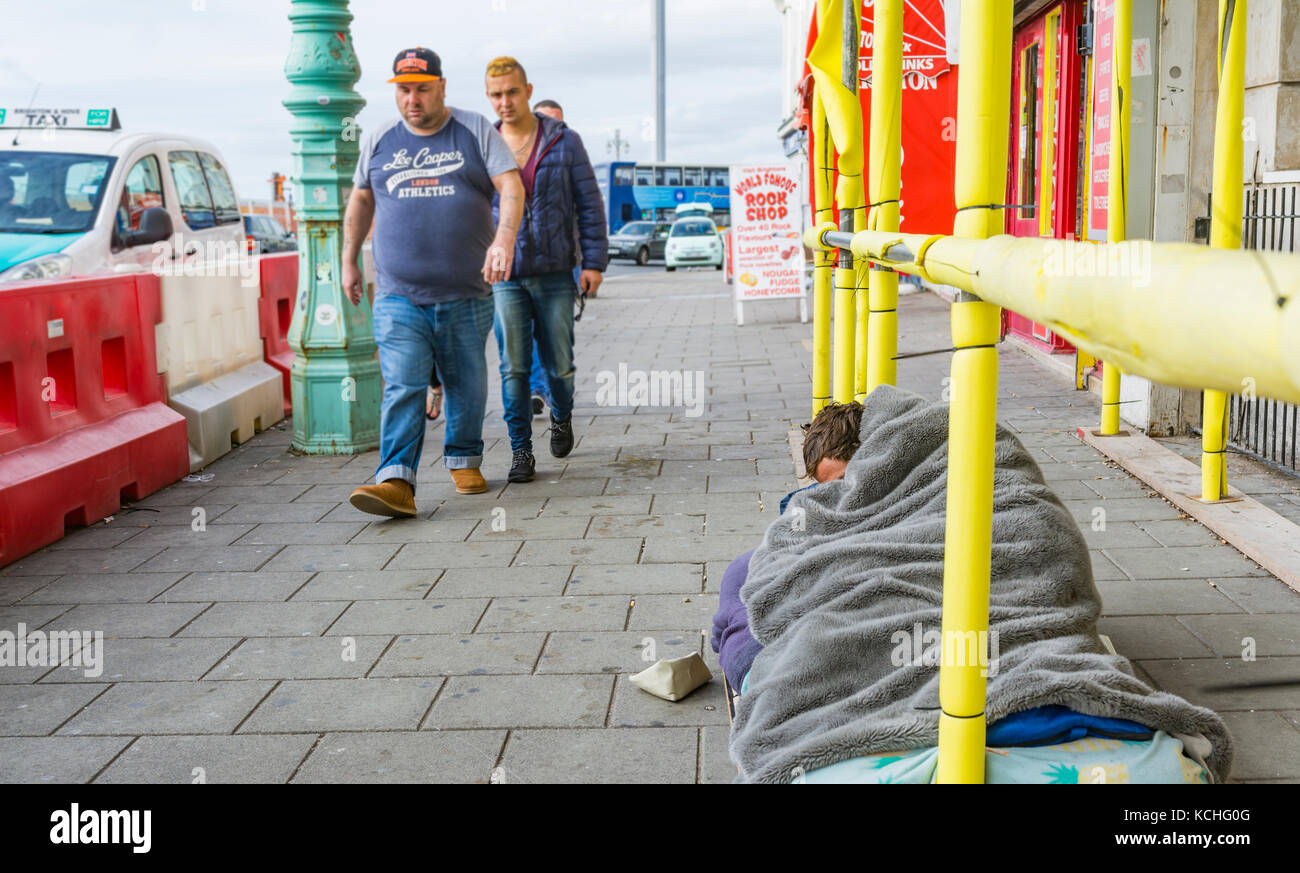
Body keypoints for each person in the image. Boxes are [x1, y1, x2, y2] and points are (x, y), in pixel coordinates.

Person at [344, 46, 524, 516]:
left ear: (441, 86)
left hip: (467, 292)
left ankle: (463, 456)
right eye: (404, 90)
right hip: (399, 293)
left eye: (422, 89)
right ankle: (395, 482)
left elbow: (511, 185)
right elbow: (361, 199)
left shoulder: (473, 130)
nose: (412, 99)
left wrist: (503, 240)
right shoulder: (381, 137)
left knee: (465, 383)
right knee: (403, 383)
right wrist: (348, 260)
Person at [483, 57, 608, 484]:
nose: (505, 101)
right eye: (496, 94)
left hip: (557, 272)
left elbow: (589, 204)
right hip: (508, 276)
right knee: (513, 367)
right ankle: (521, 451)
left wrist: (593, 262)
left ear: (528, 90)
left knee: (559, 365)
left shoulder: (563, 141)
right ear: (489, 97)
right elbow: (474, 211)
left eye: (512, 92)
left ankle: (562, 415)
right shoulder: (484, 142)